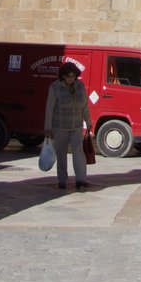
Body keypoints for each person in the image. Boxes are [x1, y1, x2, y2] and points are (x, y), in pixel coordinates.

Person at [44, 62, 93, 191]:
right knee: (61, 154)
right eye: (68, 76)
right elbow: (50, 108)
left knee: (78, 152)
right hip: (60, 126)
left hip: (76, 125)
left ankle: (80, 179)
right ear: (63, 76)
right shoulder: (55, 87)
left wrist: (88, 122)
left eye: (73, 76)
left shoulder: (80, 86)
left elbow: (84, 106)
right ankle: (62, 180)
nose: (70, 79)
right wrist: (47, 127)